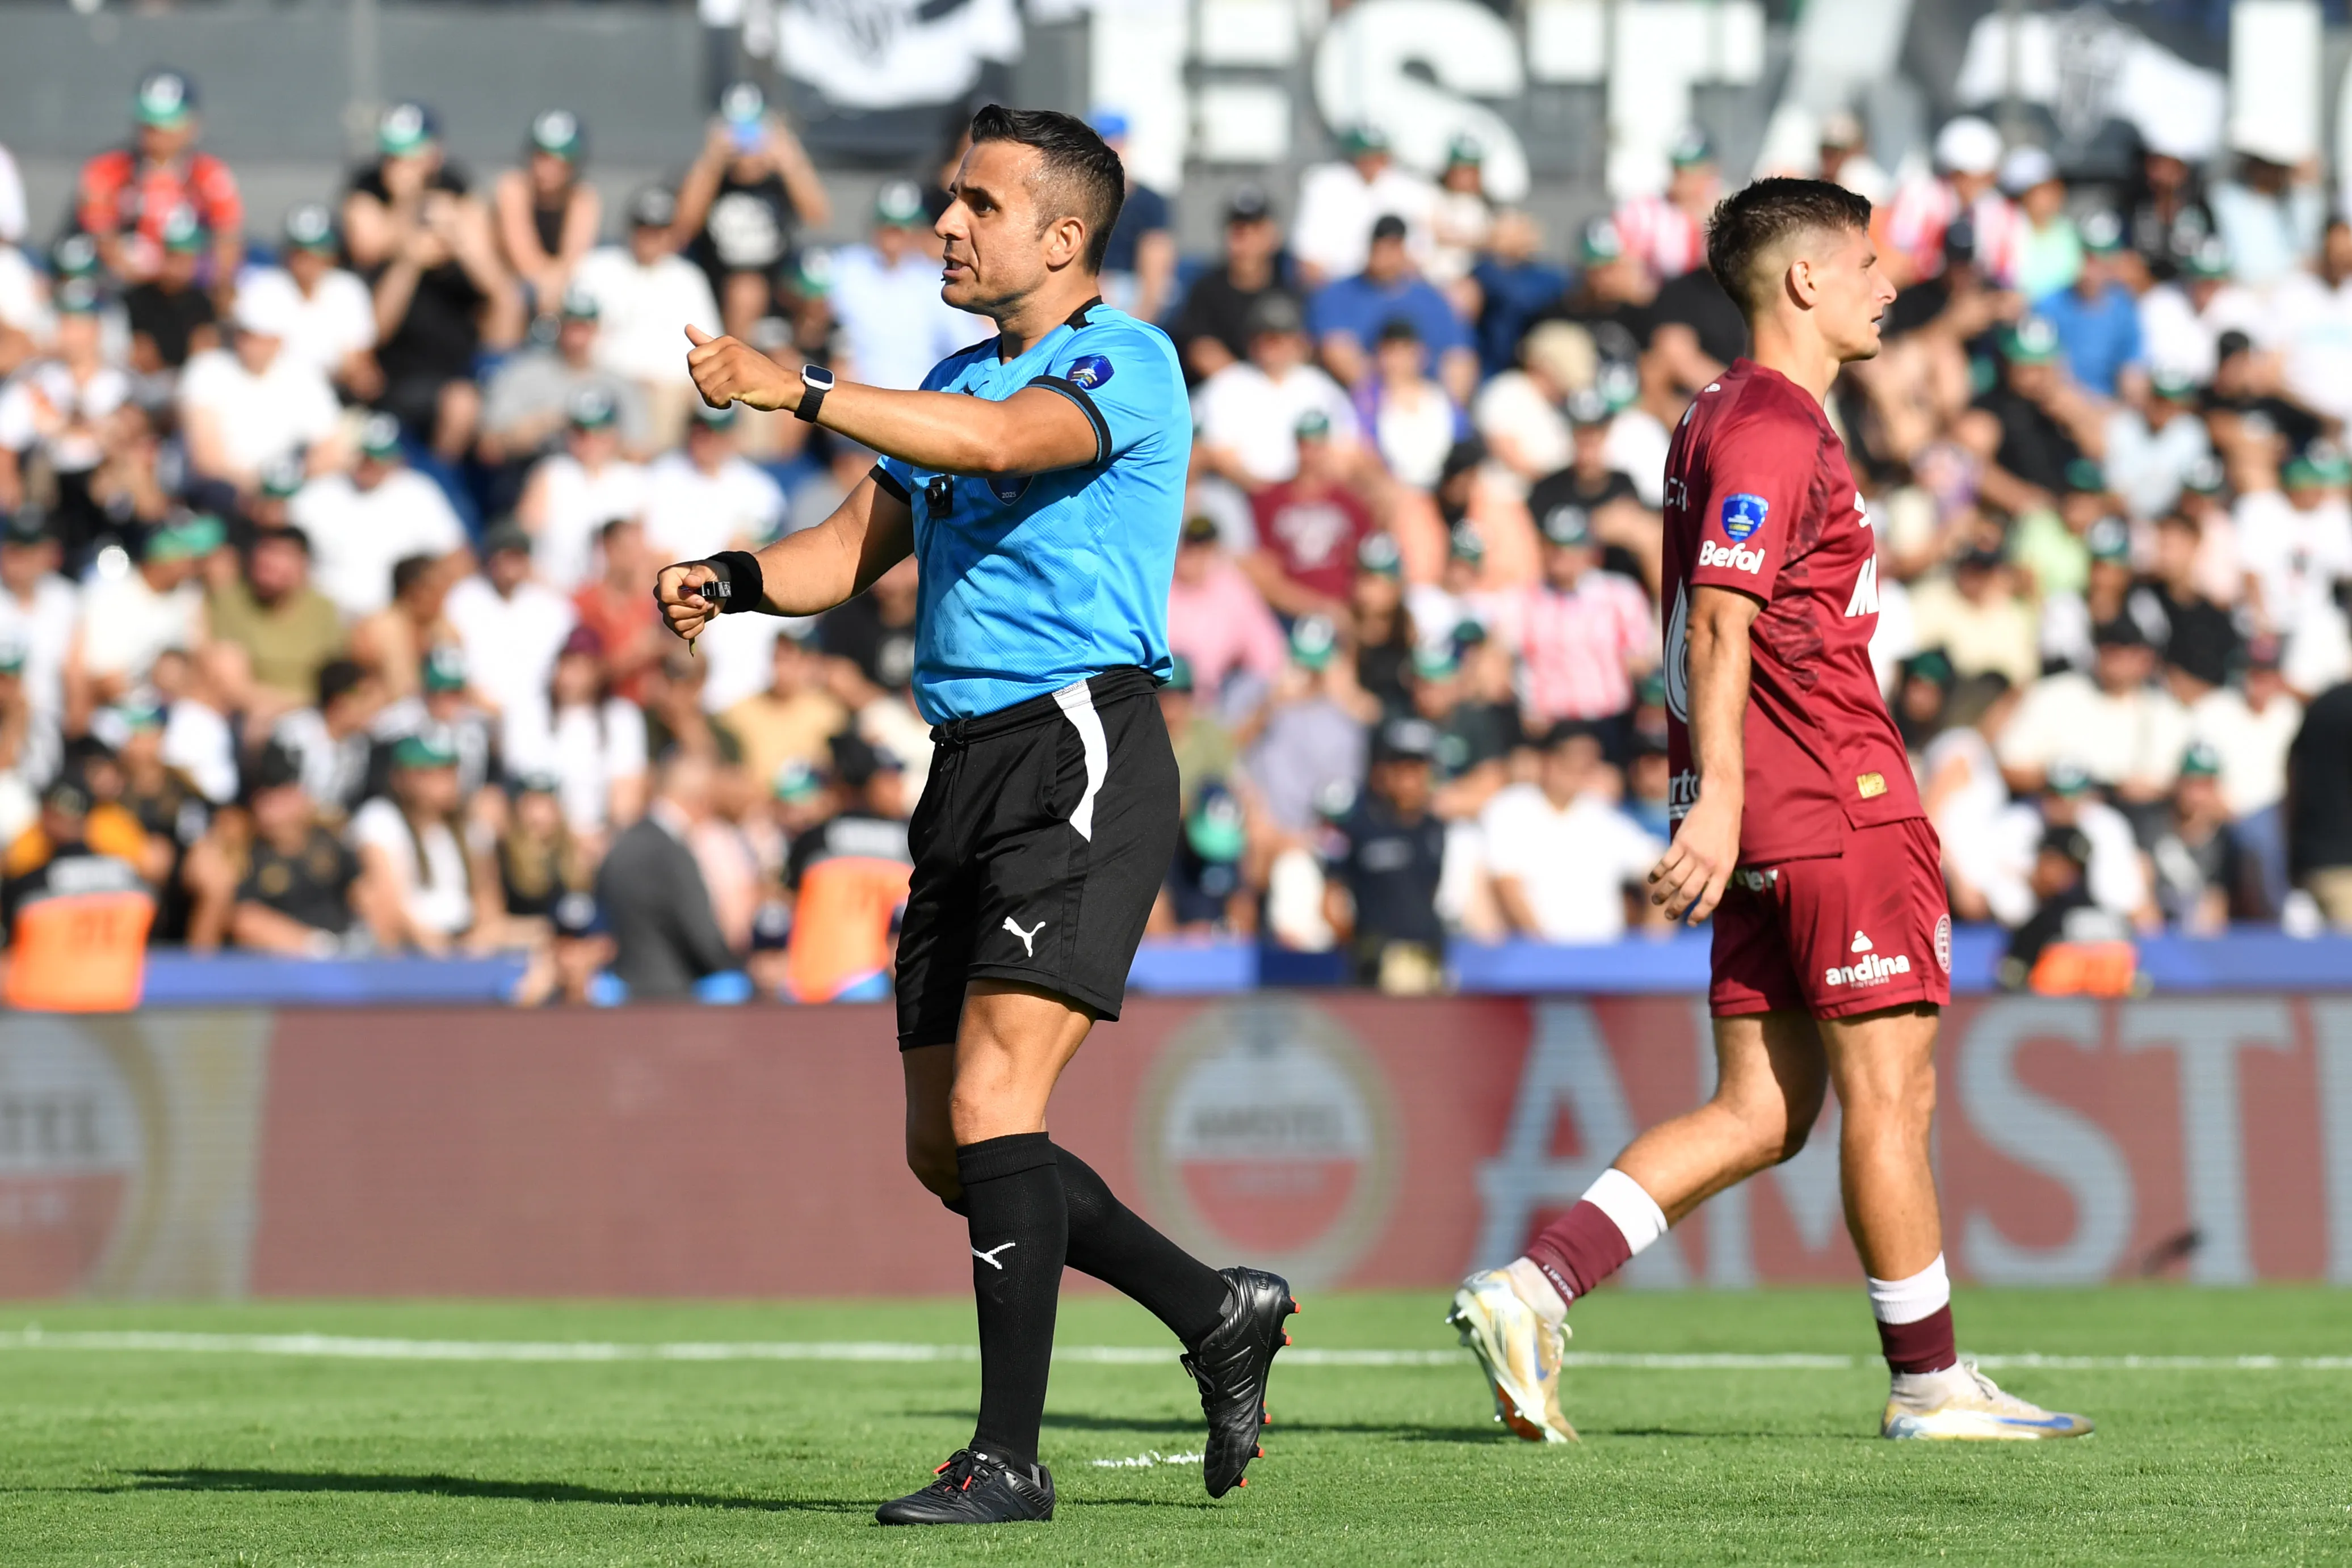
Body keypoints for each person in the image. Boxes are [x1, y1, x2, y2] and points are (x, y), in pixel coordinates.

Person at [656, 104, 1294, 1524]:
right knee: (948, 1145)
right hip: (963, 767)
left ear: (1063, 238)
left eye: (980, 204)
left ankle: (1008, 1457)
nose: (948, 223)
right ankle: (1215, 1305)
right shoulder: (945, 377)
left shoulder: (1122, 361)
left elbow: (1007, 445)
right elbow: (845, 551)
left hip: (1077, 746)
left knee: (1000, 1101)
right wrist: (738, 578)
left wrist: (799, 385)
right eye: (952, 199)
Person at [1448, 178, 2088, 1446]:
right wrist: (1725, 798)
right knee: (1888, 1092)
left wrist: (1713, 797)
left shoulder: (1711, 416)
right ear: (1802, 280)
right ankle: (1929, 1382)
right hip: (1825, 801)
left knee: (1763, 1109)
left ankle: (1536, 1284)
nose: (1885, 284)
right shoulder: (1773, 424)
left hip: (1764, 807)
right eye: (1863, 262)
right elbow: (1724, 615)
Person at [348, 103, 524, 457]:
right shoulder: (367, 189)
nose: (397, 168)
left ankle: (445, 476)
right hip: (396, 364)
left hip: (457, 354)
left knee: (507, 311)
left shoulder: (457, 189)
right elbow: (368, 245)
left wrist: (454, 231)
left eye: (408, 158)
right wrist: (409, 213)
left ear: (433, 155)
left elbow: (498, 285)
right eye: (392, 157)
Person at [1481, 720, 1666, 943]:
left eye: (1588, 762)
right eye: (1570, 758)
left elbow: (1662, 876)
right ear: (1547, 760)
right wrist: (1546, 954)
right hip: (1533, 964)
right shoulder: (1510, 808)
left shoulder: (1602, 816)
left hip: (1607, 962)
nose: (1578, 767)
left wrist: (1652, 950)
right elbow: (1507, 886)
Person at [674, 83, 833, 339]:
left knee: (818, 290)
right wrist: (711, 162)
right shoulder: (710, 179)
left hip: (778, 285)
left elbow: (818, 216)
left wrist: (790, 160)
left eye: (752, 130)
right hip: (719, 283)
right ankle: (735, 363)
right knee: (745, 290)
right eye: (737, 131)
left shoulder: (780, 180)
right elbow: (682, 228)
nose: (745, 143)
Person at [570, 186, 721, 444]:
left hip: (671, 389)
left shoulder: (688, 279)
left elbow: (710, 346)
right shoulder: (596, 267)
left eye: (659, 231)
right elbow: (576, 336)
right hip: (607, 381)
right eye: (644, 229)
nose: (650, 238)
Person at [291, 413, 469, 620]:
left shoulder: (418, 493)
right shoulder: (320, 493)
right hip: (328, 615)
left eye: (380, 457)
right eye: (366, 455)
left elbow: (458, 559)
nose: (371, 464)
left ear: (398, 458)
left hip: (398, 614)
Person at [780, 729, 915, 1003]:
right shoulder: (912, 839)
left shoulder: (813, 840)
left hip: (814, 988)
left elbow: (784, 904)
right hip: (888, 989)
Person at [75, 69, 243, 287]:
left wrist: (192, 271)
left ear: (192, 125)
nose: (155, 132)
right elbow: (104, 242)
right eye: (149, 123)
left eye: (166, 124)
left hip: (191, 291)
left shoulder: (212, 175)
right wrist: (152, 273)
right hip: (123, 291)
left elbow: (228, 247)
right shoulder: (106, 170)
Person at [593, 747, 738, 997]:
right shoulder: (673, 853)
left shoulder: (622, 843)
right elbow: (699, 929)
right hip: (673, 991)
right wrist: (733, 966)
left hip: (624, 986)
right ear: (700, 800)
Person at [1325, 715, 1448, 990]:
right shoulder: (1358, 826)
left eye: (1417, 768)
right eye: (1400, 768)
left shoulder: (1437, 829)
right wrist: (1361, 949)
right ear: (1383, 771)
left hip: (1430, 957)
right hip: (1377, 964)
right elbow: (1332, 898)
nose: (1409, 779)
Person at [1190, 291, 1356, 494]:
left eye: (1278, 338)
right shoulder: (1228, 384)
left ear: (1297, 341)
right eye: (1263, 338)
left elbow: (1343, 452)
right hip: (1243, 494)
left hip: (1310, 495)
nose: (1269, 347)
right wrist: (1271, 498)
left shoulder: (1322, 388)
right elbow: (1220, 456)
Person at [828, 180, 982, 394]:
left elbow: (969, 340)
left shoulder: (934, 282)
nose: (893, 237)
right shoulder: (846, 267)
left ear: (916, 232)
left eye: (901, 229)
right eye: (887, 226)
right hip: (854, 393)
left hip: (914, 399)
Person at [230, 739, 383, 955]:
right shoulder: (243, 848)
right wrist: (320, 948)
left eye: (285, 792)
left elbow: (362, 891)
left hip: (344, 942)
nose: (275, 806)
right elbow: (244, 919)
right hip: (280, 963)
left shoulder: (329, 839)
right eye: (266, 796)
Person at [1307, 214, 1477, 403]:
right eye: (1380, 245)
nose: (1385, 253)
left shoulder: (1431, 299)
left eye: (1393, 246)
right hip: (1363, 406)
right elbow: (1337, 350)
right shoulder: (1338, 294)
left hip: (1425, 405)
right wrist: (1385, 403)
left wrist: (1447, 412)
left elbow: (1459, 357)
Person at [348, 728, 482, 954]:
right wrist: (442, 949)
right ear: (402, 778)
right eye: (429, 772)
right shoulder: (379, 819)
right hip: (412, 949)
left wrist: (478, 941)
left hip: (463, 942)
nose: (444, 780)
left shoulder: (467, 827)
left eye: (449, 770)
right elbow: (386, 901)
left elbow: (486, 900)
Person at [234, 203, 381, 401]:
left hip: (332, 396)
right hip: (273, 396)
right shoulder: (263, 287)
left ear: (332, 255)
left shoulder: (348, 289)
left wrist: (357, 376)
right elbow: (256, 357)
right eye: (300, 252)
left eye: (317, 252)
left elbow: (359, 363)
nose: (308, 261)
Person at [514, 385, 649, 594]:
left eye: (600, 430)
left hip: (614, 601)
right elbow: (521, 547)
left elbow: (644, 557)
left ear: (614, 432)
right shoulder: (551, 474)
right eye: (581, 431)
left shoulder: (634, 479)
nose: (590, 440)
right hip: (555, 596)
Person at [1241, 410, 1376, 620]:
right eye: (1306, 446)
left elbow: (1364, 566)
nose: (1312, 454)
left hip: (1345, 613)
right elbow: (1265, 574)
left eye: (1318, 446)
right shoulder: (1270, 501)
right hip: (1290, 613)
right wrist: (1317, 607)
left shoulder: (1350, 502)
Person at [207, 523, 345, 717]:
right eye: (265, 551)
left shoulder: (324, 609)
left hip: (311, 713)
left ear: (303, 564)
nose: (269, 562)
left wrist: (291, 707)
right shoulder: (229, 602)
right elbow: (225, 677)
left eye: (282, 555)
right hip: (245, 713)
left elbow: (335, 676)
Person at [1290, 124, 1437, 289]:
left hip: (1392, 287)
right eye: (1365, 156)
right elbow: (1309, 260)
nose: (1372, 164)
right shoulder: (1324, 185)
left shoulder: (1411, 190)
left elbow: (1419, 256)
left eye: (1378, 156)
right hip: (1338, 286)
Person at [1169, 187, 1289, 381]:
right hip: (1223, 391)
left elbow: (1299, 348)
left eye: (1256, 230)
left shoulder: (1286, 288)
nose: (1247, 240)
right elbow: (1201, 351)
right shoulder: (1207, 289)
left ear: (1272, 235)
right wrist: (1249, 386)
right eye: (1239, 231)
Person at [641, 402, 785, 564]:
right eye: (701, 431)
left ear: (733, 435)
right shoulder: (658, 476)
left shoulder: (758, 489)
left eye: (718, 433)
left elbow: (757, 552)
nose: (708, 440)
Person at [492, 109, 602, 314]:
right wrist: (548, 283)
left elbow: (574, 258)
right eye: (542, 156)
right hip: (513, 284)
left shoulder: (582, 196)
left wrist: (555, 285)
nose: (549, 168)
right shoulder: (513, 188)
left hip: (558, 288)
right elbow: (523, 257)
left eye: (560, 159)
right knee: (509, 298)